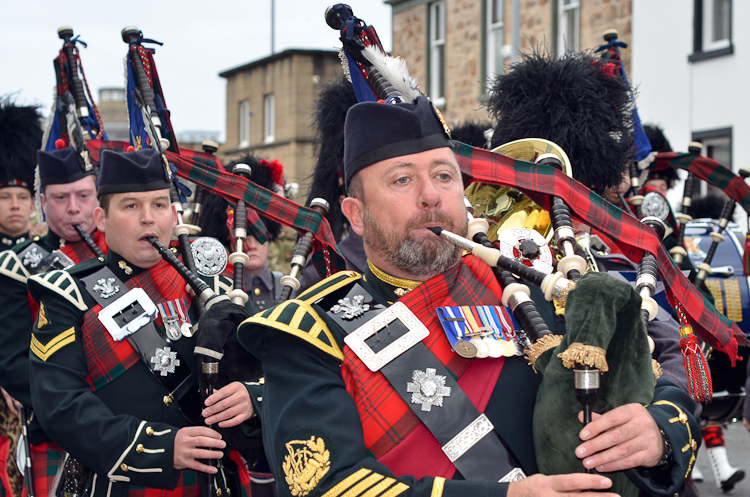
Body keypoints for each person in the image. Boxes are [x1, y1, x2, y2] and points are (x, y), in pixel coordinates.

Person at [230, 95, 699, 497]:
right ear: (355, 213)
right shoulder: (310, 334)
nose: (431, 196)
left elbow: (660, 386)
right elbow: (329, 486)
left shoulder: (537, 292)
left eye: (444, 176)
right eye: (402, 179)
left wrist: (657, 431)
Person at [28, 148, 262, 497]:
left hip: (215, 483)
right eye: (131, 206)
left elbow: (271, 370)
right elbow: (61, 405)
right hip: (122, 484)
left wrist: (251, 397)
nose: (149, 218)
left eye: (160, 204)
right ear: (101, 218)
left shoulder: (214, 287)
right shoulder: (69, 294)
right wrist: (163, 449)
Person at [0, 141, 108, 497]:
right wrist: (80, 409)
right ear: (42, 203)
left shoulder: (122, 253)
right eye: (60, 198)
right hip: (57, 425)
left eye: (82, 195)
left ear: (99, 198)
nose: (73, 209)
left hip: (129, 421)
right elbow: (14, 364)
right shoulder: (16, 265)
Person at [0, 97, 41, 497]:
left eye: (22, 198)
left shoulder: (47, 256)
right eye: (4, 197)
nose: (14, 205)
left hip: (34, 385)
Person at [199, 154, 285, 312]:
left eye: (258, 236)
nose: (250, 245)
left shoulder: (286, 288)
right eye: (243, 237)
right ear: (228, 239)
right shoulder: (218, 292)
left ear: (269, 235)